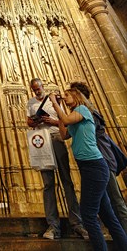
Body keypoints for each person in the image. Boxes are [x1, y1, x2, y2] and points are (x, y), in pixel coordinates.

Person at [49, 88, 127, 251]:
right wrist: (59, 113)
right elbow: (64, 135)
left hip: (95, 166)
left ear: (77, 96)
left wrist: (55, 103)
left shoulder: (83, 110)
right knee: (107, 215)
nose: (64, 96)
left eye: (67, 94)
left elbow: (66, 119)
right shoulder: (74, 117)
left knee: (88, 216)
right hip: (88, 167)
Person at [26, 78, 87, 240]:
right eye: (34, 89)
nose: (37, 91)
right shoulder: (30, 103)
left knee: (66, 180)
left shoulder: (55, 99)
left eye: (38, 88)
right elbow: (28, 122)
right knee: (48, 184)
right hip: (41, 142)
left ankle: (77, 224)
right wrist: (35, 121)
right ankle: (53, 226)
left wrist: (51, 121)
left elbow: (65, 119)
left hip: (56, 137)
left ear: (42, 86)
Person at [70, 81, 127, 232]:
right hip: (95, 162)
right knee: (105, 205)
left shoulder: (87, 112)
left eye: (69, 94)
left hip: (101, 161)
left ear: (78, 95)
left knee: (115, 201)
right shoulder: (85, 111)